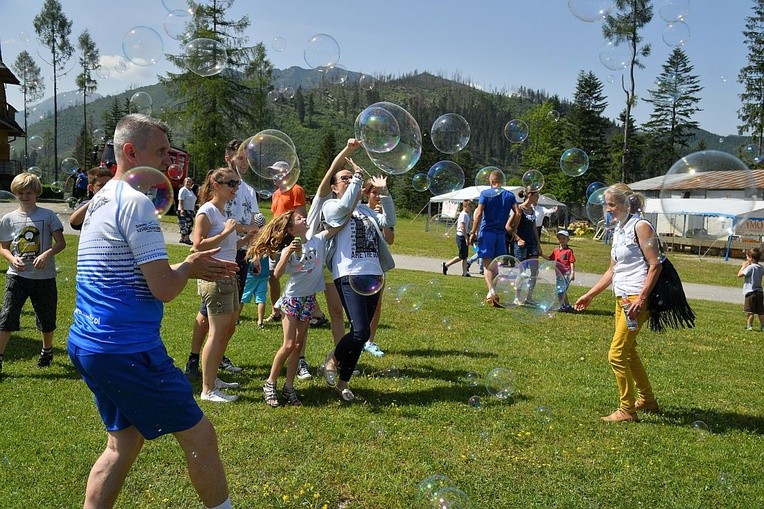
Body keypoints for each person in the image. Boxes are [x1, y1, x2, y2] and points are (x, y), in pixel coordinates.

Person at [67, 114, 237, 509]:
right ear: (131, 151)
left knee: (123, 441)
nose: (168, 161)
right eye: (160, 151)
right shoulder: (136, 202)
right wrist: (190, 266)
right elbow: (163, 288)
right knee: (200, 437)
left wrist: (187, 264)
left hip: (88, 343)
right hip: (126, 350)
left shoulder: (102, 198)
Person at [574, 183, 662, 423]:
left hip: (636, 299)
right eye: (606, 204)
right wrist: (591, 294)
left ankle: (627, 410)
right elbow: (613, 270)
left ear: (625, 203)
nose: (607, 208)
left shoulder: (641, 227)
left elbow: (655, 264)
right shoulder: (619, 229)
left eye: (611, 204)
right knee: (629, 351)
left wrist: (642, 298)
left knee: (616, 353)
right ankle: (647, 400)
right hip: (621, 298)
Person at [248, 209, 342, 407]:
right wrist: (287, 252)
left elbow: (337, 226)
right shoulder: (287, 249)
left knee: (298, 347)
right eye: (299, 218)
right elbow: (277, 274)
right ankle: (270, 383)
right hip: (292, 299)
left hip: (308, 299)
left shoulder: (318, 240)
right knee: (289, 344)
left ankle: (289, 387)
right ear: (291, 229)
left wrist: (353, 204)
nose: (305, 218)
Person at [322, 157, 395, 401]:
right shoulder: (331, 206)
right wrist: (358, 178)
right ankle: (333, 358)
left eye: (349, 177)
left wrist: (384, 194)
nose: (348, 180)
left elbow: (390, 222)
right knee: (362, 331)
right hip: (348, 274)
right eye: (344, 178)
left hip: (373, 274)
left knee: (359, 332)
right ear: (334, 187)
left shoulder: (366, 210)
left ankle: (343, 384)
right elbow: (344, 208)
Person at [185, 140, 259, 379]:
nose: (245, 162)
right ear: (229, 158)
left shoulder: (246, 188)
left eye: (248, 157)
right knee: (208, 312)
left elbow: (255, 218)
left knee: (231, 312)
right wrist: (229, 232)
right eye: (240, 157)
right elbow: (204, 231)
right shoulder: (220, 187)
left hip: (238, 251)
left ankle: (218, 357)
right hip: (219, 253)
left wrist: (254, 243)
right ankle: (196, 359)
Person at [0, 172, 66, 373]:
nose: (24, 196)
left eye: (28, 192)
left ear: (36, 193)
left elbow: (61, 243)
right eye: (20, 193)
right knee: (7, 315)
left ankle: (47, 350)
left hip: (44, 277)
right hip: (16, 276)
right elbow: (3, 247)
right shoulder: (9, 219)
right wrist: (12, 259)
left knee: (46, 318)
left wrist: (46, 254)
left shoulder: (47, 216)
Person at [193, 167, 249, 403]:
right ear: (216, 185)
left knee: (226, 330)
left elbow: (230, 248)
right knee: (216, 334)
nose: (235, 187)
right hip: (214, 277)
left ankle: (213, 379)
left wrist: (247, 238)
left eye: (237, 183)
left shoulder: (222, 213)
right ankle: (207, 390)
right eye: (231, 184)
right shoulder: (207, 212)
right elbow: (198, 246)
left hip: (228, 274)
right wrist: (227, 232)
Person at [467, 169, 520, 307]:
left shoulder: (485, 194)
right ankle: (491, 293)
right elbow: (518, 212)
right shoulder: (509, 195)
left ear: (491, 181)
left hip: (487, 232)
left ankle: (491, 291)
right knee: (497, 265)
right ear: (501, 181)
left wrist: (473, 231)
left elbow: (478, 214)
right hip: (500, 234)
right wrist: (513, 229)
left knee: (487, 265)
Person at [266, 170, 307, 324]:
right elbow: (275, 217)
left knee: (300, 274)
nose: (274, 176)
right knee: (272, 275)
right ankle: (276, 311)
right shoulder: (276, 193)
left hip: (290, 237)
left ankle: (314, 312)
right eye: (273, 173)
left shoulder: (296, 190)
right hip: (277, 238)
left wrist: (300, 238)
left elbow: (302, 215)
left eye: (277, 173)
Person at [363, 177, 395, 357]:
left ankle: (370, 341)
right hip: (360, 263)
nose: (377, 196)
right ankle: (358, 336)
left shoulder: (386, 214)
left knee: (376, 305)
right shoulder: (360, 211)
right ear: (367, 193)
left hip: (377, 265)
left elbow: (390, 240)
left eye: (380, 193)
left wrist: (384, 221)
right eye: (374, 192)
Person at [240, 213, 269, 328]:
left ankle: (236, 318)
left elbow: (249, 254)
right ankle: (260, 321)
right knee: (261, 298)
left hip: (251, 274)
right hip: (264, 274)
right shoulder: (266, 239)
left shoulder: (251, 238)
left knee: (244, 296)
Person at [69, 166, 113, 230]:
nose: (105, 188)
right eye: (100, 185)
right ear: (91, 188)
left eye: (108, 185)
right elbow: (74, 222)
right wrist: (95, 200)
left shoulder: (115, 203)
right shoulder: (86, 204)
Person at [442, 199, 473, 277]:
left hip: (464, 235)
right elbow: (462, 227)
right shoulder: (464, 215)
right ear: (465, 206)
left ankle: (465, 272)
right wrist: (466, 237)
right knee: (462, 256)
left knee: (465, 256)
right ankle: (446, 265)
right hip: (461, 236)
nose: (471, 208)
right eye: (470, 206)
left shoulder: (466, 214)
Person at [548, 229, 576, 312]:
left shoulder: (569, 251)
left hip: (566, 273)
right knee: (560, 290)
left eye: (564, 238)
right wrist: (541, 254)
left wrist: (572, 273)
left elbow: (572, 262)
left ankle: (562, 305)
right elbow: (550, 258)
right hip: (558, 274)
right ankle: (565, 305)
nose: (561, 240)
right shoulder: (556, 250)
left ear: (568, 240)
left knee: (561, 290)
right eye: (560, 238)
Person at [738, 247, 764, 331]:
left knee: (750, 311)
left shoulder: (750, 267)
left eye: (747, 256)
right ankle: (763, 326)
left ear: (751, 258)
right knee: (760, 311)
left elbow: (739, 275)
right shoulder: (761, 267)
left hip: (750, 292)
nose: (746, 258)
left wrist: (743, 266)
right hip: (759, 292)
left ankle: (749, 326)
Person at [178, 177, 197, 245]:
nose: (188, 183)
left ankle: (183, 238)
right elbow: (181, 200)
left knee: (190, 224)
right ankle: (186, 238)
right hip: (184, 210)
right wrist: (182, 209)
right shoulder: (183, 190)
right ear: (184, 182)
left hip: (190, 210)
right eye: (187, 181)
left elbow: (193, 201)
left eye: (190, 181)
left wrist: (194, 209)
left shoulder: (191, 191)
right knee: (185, 224)